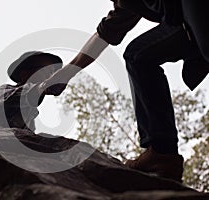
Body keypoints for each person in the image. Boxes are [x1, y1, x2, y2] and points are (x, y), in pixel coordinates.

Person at [39, 1, 209, 182]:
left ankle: (163, 152)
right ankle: (162, 153)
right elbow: (105, 32)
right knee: (139, 56)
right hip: (187, 26)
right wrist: (66, 73)